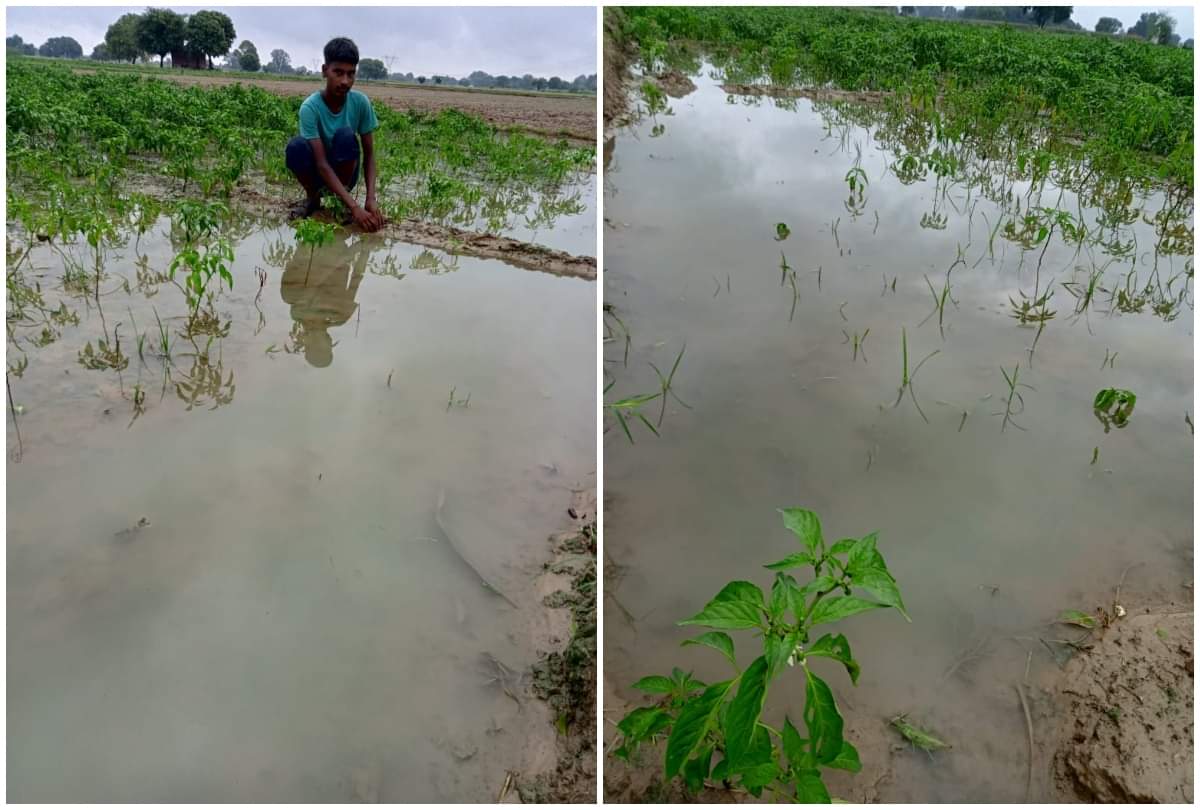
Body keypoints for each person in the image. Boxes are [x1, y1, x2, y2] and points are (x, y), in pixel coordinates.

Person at [285, 37, 385, 232]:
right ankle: (313, 198)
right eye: (338, 73)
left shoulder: (361, 103)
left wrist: (370, 199)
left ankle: (341, 201)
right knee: (296, 147)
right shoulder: (310, 107)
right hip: (319, 172)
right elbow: (321, 163)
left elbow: (370, 154)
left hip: (346, 172)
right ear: (325, 71)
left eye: (351, 74)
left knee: (346, 136)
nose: (345, 81)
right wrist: (355, 208)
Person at [279, 231, 371, 368]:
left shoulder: (297, 310)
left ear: (307, 343)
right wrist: (365, 250)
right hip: (337, 246)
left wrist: (353, 252)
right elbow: (357, 276)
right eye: (324, 347)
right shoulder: (340, 317)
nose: (322, 342)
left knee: (289, 295)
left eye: (317, 346)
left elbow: (356, 276)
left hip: (318, 242)